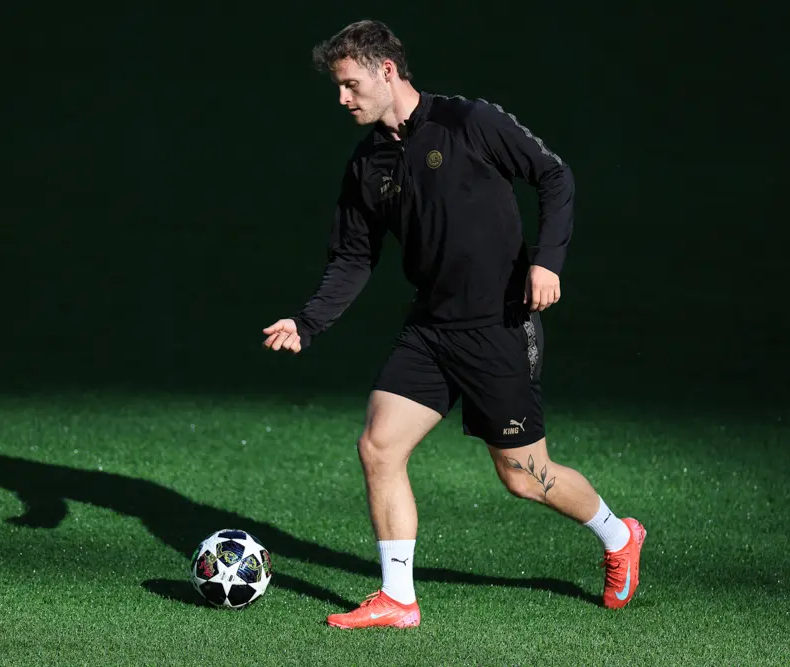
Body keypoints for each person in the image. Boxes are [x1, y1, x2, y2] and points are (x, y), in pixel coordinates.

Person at [261, 19, 646, 629]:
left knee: (523, 477)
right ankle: (398, 598)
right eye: (338, 87)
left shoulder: (469, 121)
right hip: (431, 329)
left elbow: (554, 175)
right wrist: (308, 323)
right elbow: (354, 257)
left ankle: (618, 534)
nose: (342, 99)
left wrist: (546, 262)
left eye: (350, 84)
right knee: (378, 446)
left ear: (387, 71)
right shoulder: (367, 164)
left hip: (498, 324)